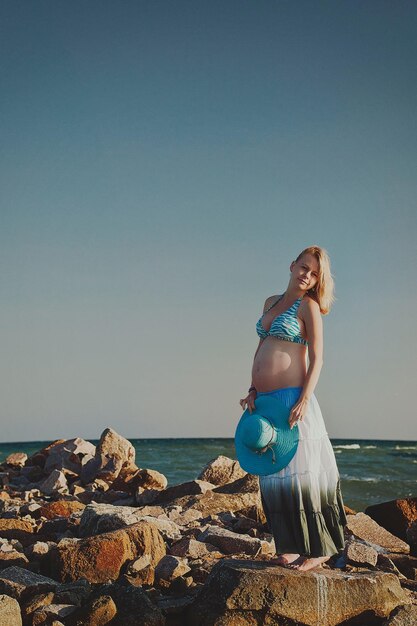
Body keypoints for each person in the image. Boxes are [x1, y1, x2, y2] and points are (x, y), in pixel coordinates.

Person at [239, 245, 346, 571]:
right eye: (303, 267)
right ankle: (287, 545)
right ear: (292, 265)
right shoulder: (270, 303)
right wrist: (253, 388)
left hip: (292, 399)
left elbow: (318, 358)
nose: (306, 275)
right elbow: (261, 346)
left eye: (314, 273)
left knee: (303, 476)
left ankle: (319, 549)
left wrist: (304, 398)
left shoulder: (308, 307)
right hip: (266, 400)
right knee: (273, 476)